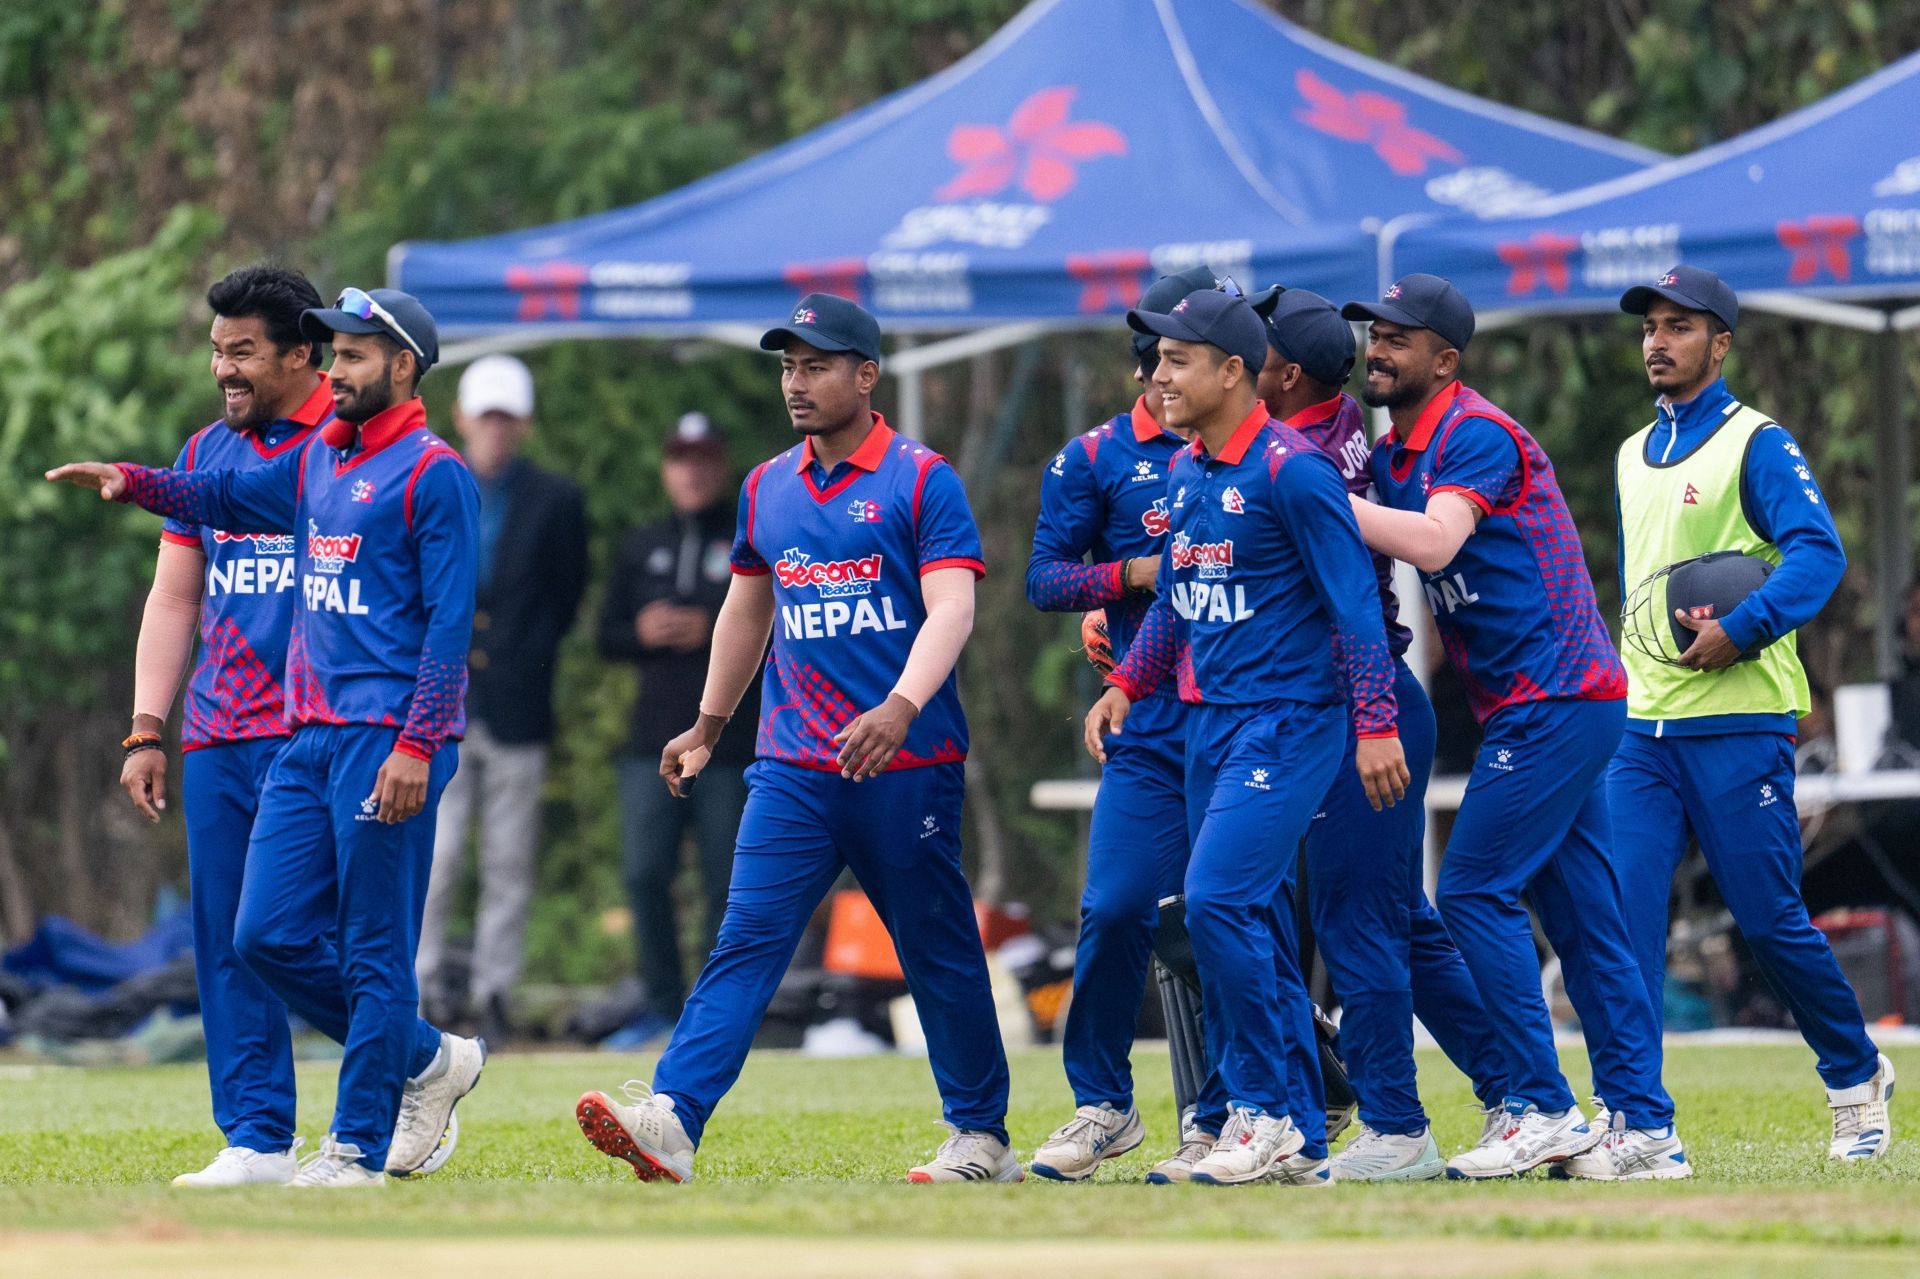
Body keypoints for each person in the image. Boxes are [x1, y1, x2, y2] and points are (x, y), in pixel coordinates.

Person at [47, 287, 486, 1188]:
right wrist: (134, 480)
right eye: (333, 352)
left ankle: (358, 1147)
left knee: (370, 944)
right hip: (292, 732)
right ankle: (403, 1071)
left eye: (353, 354)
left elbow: (450, 624)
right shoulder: (321, 459)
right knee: (258, 934)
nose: (336, 368)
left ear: (402, 365)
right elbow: (218, 498)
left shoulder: (430, 469)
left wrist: (417, 741)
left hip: (379, 733)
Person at [573, 294, 1015, 1185]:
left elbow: (954, 606)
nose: (796, 383)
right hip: (793, 763)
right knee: (747, 936)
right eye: (787, 366)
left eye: (815, 365)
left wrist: (899, 706)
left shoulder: (921, 478)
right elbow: (748, 602)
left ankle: (981, 1136)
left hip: (906, 764)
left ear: (865, 374)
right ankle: (674, 1120)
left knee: (936, 948)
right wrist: (706, 723)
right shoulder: (767, 485)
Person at [1340, 273, 1680, 1180]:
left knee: (1473, 892)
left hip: (1557, 698)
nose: (1377, 347)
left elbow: (1438, 542)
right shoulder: (1394, 452)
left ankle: (1540, 1105)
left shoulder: (1476, 432)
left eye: (1398, 338)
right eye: (1374, 332)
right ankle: (1647, 1131)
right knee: (1583, 919)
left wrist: (1311, 498)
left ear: (1444, 360)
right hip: (1539, 704)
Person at [1087, 287, 1407, 1186]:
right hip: (1208, 726)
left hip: (1293, 722)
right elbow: (1180, 606)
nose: (1155, 377)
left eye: (1175, 360)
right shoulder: (1190, 474)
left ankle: (1261, 1111)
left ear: (1235, 370)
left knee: (1217, 899)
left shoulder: (1294, 470)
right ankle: (1293, 1133)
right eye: (1154, 362)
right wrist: (1125, 683)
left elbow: (1355, 609)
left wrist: (1376, 722)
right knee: (1241, 914)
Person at [1608, 265, 1893, 1162]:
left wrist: (1745, 625)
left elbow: (1819, 554)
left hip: (1738, 727)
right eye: (1651, 326)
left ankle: (1856, 1077)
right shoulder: (1625, 455)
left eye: (1680, 327)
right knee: (1622, 919)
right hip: (1639, 731)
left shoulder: (1756, 443)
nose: (1659, 340)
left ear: (1720, 344)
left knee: (1768, 918)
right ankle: (1642, 1124)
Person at [1249, 286, 1508, 1182]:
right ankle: (1524, 1092)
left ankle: (1396, 1124)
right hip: (1366, 700)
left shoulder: (1305, 455)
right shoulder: (1332, 431)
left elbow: (1353, 604)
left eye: (1247, 347)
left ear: (1280, 373)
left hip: (1357, 704)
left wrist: (1368, 718)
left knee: (1355, 918)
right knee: (1398, 918)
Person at [120, 264, 333, 1187]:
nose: (225, 370)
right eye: (217, 351)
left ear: (302, 353)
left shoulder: (352, 444)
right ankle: (256, 1139)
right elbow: (176, 596)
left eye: (243, 351)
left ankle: (401, 1086)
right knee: (224, 939)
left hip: (327, 728)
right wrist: (145, 727)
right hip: (219, 733)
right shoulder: (206, 450)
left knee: (306, 931)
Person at [1022, 266, 1218, 1184]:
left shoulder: (1254, 452)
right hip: (1146, 722)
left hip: (1246, 718)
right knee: (1114, 908)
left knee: (1225, 918)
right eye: (1170, 355)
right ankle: (1104, 1103)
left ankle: (1228, 1114)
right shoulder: (1094, 457)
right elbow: (1044, 580)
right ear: (1151, 366)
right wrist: (1130, 579)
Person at [417, 354, 588, 1043]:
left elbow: (565, 595)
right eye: (485, 416)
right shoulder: (428, 483)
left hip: (517, 701)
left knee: (510, 859)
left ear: (522, 424)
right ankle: (422, 982)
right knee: (437, 853)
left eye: (506, 417)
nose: (494, 429)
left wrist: (524, 657)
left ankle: (494, 990)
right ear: (462, 418)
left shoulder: (556, 499)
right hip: (439, 702)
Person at [598, 412, 758, 1050]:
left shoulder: (746, 539)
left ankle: (721, 1013)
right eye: (679, 458)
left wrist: (708, 630)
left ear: (720, 466)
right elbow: (604, 635)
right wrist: (640, 631)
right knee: (644, 873)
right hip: (650, 740)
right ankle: (660, 1003)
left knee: (727, 878)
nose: (691, 471)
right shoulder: (642, 544)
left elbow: (769, 630)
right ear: (667, 469)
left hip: (728, 742)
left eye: (703, 458)